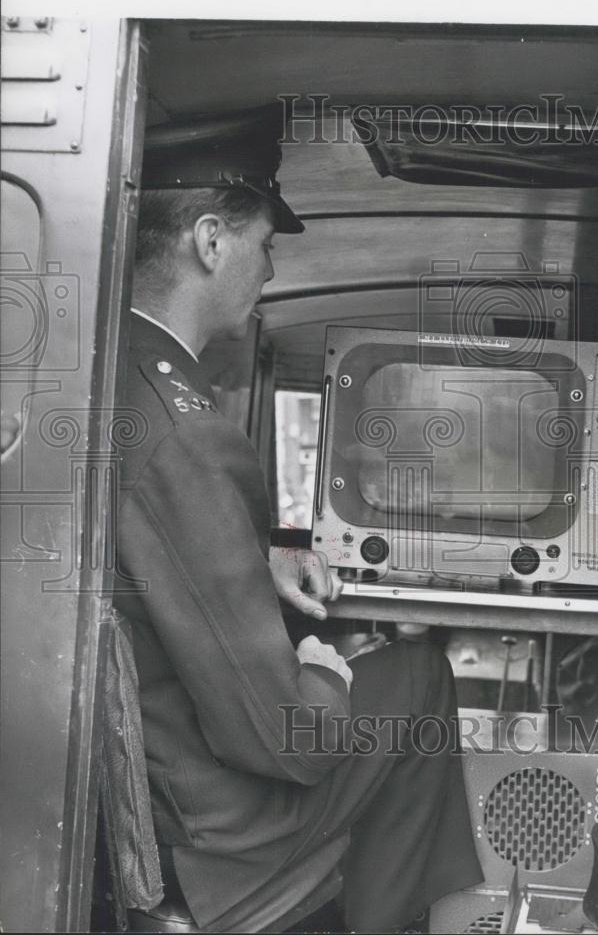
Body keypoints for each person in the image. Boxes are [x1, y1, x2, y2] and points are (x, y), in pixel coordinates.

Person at [114, 106, 483, 933]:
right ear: (210, 242)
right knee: (418, 679)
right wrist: (326, 668)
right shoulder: (186, 432)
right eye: (264, 244)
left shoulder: (120, 379)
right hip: (210, 824)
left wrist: (260, 556)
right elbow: (289, 741)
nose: (270, 270)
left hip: (159, 780)